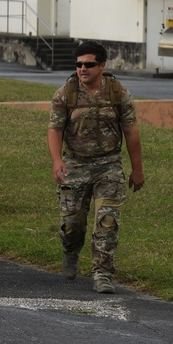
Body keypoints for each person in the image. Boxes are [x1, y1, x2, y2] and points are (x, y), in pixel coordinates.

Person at [47, 41, 144, 294]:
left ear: (102, 65)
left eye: (88, 64)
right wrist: (57, 161)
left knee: (107, 221)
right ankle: (70, 252)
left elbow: (131, 133)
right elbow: (54, 130)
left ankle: (102, 273)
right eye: (78, 64)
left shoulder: (118, 94)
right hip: (74, 165)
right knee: (71, 225)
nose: (82, 69)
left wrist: (137, 169)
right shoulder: (64, 94)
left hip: (108, 165)